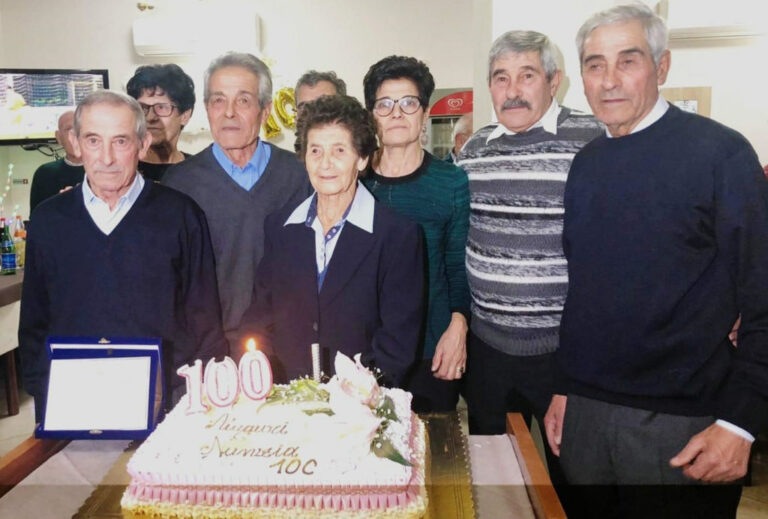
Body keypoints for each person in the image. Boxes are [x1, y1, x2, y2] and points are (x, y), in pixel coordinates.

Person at [543, 5, 768, 518]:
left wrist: (742, 422)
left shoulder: (721, 155)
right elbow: (586, 292)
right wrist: (564, 387)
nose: (609, 80)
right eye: (595, 64)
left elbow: (763, 294)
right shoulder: (587, 164)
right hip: (587, 419)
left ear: (662, 67)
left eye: (629, 60)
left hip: (681, 424)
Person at [456, 30, 602, 509]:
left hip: (565, 355)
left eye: (527, 75)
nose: (512, 89)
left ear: (553, 82)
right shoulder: (474, 150)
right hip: (489, 351)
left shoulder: (592, 139)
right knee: (496, 482)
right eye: (501, 78)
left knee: (573, 480)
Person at [19, 91, 227, 422]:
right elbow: (34, 322)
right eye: (93, 140)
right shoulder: (49, 220)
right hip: (73, 408)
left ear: (143, 144)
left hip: (165, 410)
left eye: (120, 141)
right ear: (74, 143)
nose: (107, 158)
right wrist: (46, 394)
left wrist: (186, 401)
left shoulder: (181, 215)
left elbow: (204, 322)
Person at [242, 95, 424, 386]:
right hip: (287, 395)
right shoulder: (280, 227)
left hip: (362, 405)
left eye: (339, 150)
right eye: (315, 151)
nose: (325, 163)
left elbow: (397, 344)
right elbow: (260, 316)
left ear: (362, 158)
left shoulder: (397, 235)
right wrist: (268, 383)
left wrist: (357, 395)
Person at [163, 53, 310, 355]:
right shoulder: (180, 184)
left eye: (243, 101)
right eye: (218, 101)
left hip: (287, 351)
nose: (229, 112)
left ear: (265, 110)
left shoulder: (299, 176)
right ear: (207, 109)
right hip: (210, 354)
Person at [361, 55, 470, 412]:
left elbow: (457, 268)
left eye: (409, 103)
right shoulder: (354, 181)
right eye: (384, 104)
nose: (396, 113)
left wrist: (458, 328)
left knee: (433, 458)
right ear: (371, 114)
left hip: (431, 351)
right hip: (366, 351)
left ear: (424, 114)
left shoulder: (451, 181)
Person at [126, 64, 196, 181]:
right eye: (143, 108)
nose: (150, 117)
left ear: (185, 115)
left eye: (161, 107)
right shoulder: (123, 169)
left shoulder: (199, 172)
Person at [29, 111, 85, 212]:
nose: (74, 135)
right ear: (58, 137)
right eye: (69, 129)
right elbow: (36, 220)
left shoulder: (105, 171)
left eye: (79, 129)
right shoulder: (45, 173)